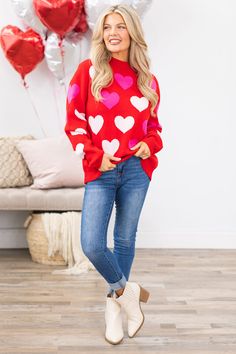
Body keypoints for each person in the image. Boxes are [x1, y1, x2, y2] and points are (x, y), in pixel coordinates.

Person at [64, 4, 163, 345]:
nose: (113, 33)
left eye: (120, 26)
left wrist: (150, 144)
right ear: (101, 34)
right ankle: (129, 292)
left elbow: (154, 128)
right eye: (108, 27)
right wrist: (94, 155)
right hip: (100, 169)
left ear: (132, 32)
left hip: (137, 170)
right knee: (92, 243)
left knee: (123, 240)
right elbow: (74, 122)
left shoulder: (147, 79)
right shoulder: (87, 72)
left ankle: (114, 307)